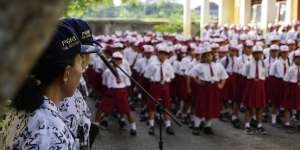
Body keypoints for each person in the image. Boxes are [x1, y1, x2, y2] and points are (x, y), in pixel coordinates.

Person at [0, 24, 98, 149]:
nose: (82, 70)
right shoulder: (50, 133)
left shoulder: (22, 108)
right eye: (80, 63)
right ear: (66, 74)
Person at [189, 46, 228, 135]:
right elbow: (191, 74)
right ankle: (196, 126)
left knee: (211, 106)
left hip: (214, 88)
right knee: (201, 106)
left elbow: (224, 76)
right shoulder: (199, 66)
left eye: (209, 55)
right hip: (204, 88)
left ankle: (208, 126)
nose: (208, 57)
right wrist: (198, 81)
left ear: (212, 55)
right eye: (205, 55)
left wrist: (221, 85)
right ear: (202, 57)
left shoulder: (218, 65)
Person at [98, 51, 137, 136]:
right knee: (102, 108)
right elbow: (104, 84)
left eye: (119, 59)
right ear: (112, 60)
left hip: (121, 91)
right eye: (115, 59)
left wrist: (129, 96)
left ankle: (133, 127)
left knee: (127, 110)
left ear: (122, 60)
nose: (117, 61)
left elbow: (128, 85)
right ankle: (96, 125)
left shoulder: (124, 71)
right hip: (111, 91)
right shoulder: (107, 71)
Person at [144, 43, 175, 135]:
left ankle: (168, 125)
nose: (163, 56)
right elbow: (147, 76)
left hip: (165, 85)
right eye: (161, 53)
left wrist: (166, 80)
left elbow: (172, 76)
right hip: (155, 85)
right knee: (152, 105)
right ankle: (151, 125)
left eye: (165, 54)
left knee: (167, 105)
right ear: (158, 54)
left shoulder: (168, 64)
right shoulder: (153, 64)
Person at [242, 45, 267, 135]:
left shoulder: (264, 63)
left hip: (260, 85)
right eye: (256, 53)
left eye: (259, 53)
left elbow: (265, 75)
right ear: (253, 54)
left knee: (260, 106)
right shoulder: (248, 64)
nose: (258, 55)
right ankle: (247, 125)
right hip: (251, 85)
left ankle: (259, 125)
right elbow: (244, 75)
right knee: (249, 106)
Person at [283, 50, 300, 132]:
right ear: (294, 59)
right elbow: (285, 80)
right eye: (297, 58)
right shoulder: (291, 69)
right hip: (292, 88)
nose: (299, 60)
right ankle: (287, 123)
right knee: (288, 107)